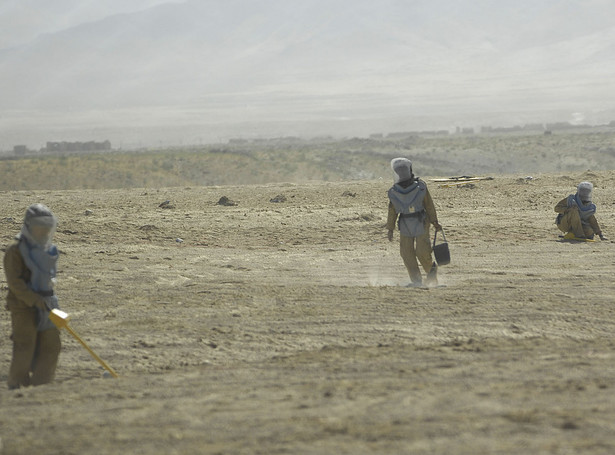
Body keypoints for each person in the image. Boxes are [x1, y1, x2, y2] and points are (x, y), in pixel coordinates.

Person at [4, 204, 61, 389]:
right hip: (22, 306)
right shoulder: (15, 250)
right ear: (29, 226)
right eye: (39, 226)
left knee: (52, 343)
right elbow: (15, 284)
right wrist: (35, 300)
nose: (43, 231)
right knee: (25, 345)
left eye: (47, 226)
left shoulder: (47, 249)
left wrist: (47, 301)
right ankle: (16, 385)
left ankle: (42, 385)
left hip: (47, 303)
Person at [386, 158, 442, 286]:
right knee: (407, 254)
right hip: (405, 223)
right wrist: (390, 228)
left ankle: (431, 274)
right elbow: (392, 210)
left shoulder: (420, 187)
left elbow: (429, 205)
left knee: (423, 252)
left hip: (421, 221)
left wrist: (434, 221)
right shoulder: (395, 192)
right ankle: (416, 281)